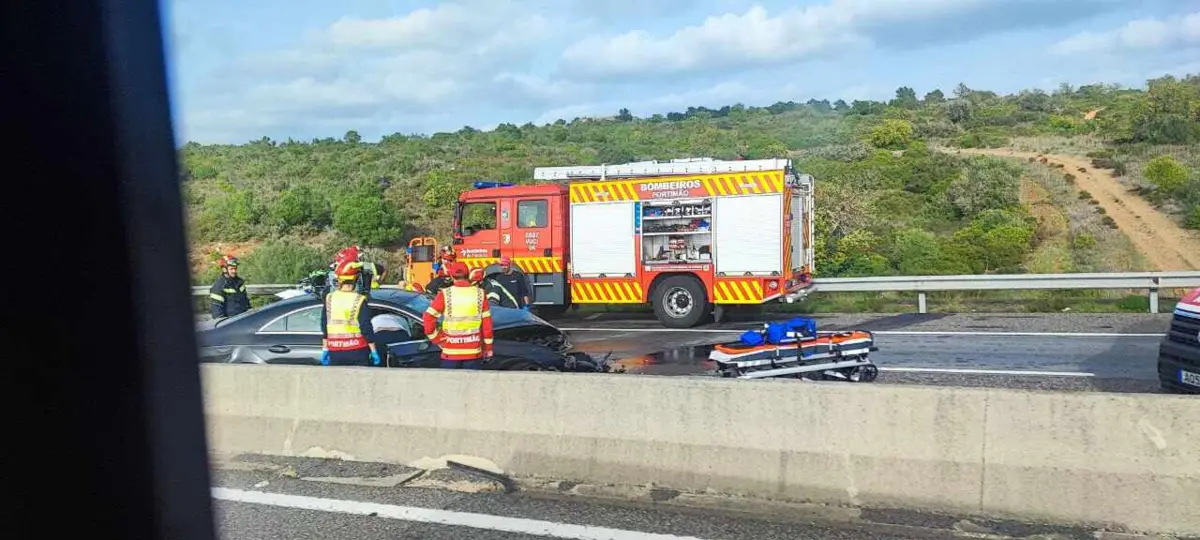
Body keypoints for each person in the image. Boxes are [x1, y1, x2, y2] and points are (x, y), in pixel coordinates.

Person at [422, 262, 493, 370]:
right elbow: (487, 326)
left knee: (450, 386)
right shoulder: (480, 294)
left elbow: (428, 318)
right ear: (468, 275)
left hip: (450, 352)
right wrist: (488, 348)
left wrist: (438, 339)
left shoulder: (445, 294)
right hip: (473, 352)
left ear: (451, 276)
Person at [320, 260, 381, 367]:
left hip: (335, 351)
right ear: (356, 279)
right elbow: (365, 327)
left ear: (338, 280)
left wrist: (325, 348)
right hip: (358, 350)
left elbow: (324, 324)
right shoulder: (359, 299)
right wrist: (373, 350)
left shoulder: (329, 298)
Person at [209, 254, 250, 319]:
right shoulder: (219, 286)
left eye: (235, 268)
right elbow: (217, 314)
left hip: (244, 320)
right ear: (224, 269)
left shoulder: (240, 282)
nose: (234, 271)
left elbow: (247, 303)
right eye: (231, 269)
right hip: (230, 324)